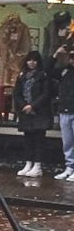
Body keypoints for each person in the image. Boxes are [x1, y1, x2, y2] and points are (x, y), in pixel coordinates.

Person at [13, 50, 52, 178]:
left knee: (39, 139)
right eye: (29, 60)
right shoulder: (22, 75)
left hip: (39, 113)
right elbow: (17, 93)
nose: (32, 63)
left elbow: (46, 94)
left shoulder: (43, 75)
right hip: (25, 112)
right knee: (27, 139)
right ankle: (28, 163)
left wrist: (33, 105)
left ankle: (38, 165)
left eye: (34, 60)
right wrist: (23, 105)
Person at [52, 45, 74, 180]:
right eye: (71, 58)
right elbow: (49, 72)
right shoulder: (65, 71)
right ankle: (70, 167)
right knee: (67, 142)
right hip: (65, 110)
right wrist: (55, 55)